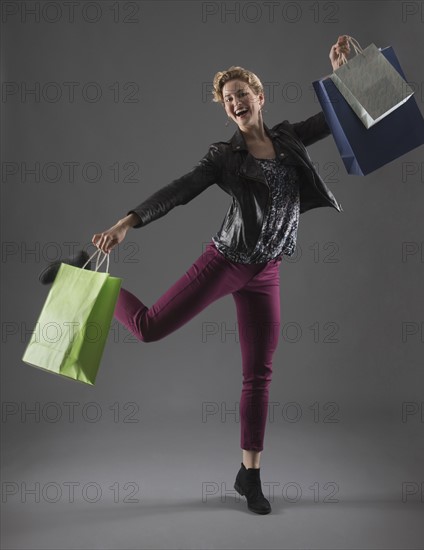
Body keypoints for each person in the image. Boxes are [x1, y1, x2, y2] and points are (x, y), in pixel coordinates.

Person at [90, 35, 351, 515]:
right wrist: (127, 222)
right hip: (227, 261)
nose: (235, 103)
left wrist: (345, 74)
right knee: (148, 328)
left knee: (259, 374)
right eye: (227, 100)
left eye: (241, 94)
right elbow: (180, 190)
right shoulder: (223, 157)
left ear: (260, 96)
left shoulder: (290, 138)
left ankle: (249, 475)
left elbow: (335, 119)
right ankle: (89, 285)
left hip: (267, 270)